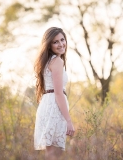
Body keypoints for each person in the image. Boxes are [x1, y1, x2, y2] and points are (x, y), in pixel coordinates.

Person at [34, 27, 75, 159]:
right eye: (55, 42)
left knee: (51, 153)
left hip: (47, 105)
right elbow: (58, 93)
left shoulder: (48, 61)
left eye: (62, 40)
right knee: (55, 154)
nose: (61, 44)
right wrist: (69, 120)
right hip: (54, 108)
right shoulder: (57, 61)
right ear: (49, 45)